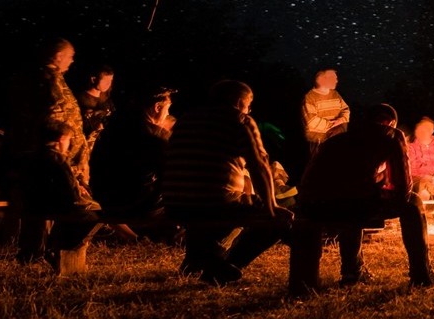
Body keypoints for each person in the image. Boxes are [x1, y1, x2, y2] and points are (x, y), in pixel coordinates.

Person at [289, 104, 434, 292]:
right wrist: (386, 192)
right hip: (347, 203)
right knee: (413, 202)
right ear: (389, 122)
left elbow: (338, 178)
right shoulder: (391, 134)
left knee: (354, 199)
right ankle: (422, 274)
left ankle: (352, 272)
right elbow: (403, 187)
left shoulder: (336, 137)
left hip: (313, 204)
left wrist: (375, 183)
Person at [162, 80, 292, 285]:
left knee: (216, 207)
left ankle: (201, 259)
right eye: (249, 103)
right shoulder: (240, 120)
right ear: (240, 101)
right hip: (215, 204)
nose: (250, 108)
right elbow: (259, 165)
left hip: (174, 203)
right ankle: (226, 266)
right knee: (277, 220)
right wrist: (271, 205)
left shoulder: (187, 119)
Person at [5, 37, 91, 263]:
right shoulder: (48, 80)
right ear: (58, 56)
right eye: (70, 56)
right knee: (47, 204)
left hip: (48, 155)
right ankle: (41, 252)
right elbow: (56, 115)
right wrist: (62, 144)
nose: (72, 61)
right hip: (52, 155)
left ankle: (34, 251)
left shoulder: (44, 78)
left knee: (40, 205)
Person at [89, 87, 178, 242]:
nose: (168, 113)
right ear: (157, 107)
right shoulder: (156, 136)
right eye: (167, 108)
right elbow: (172, 173)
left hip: (107, 202)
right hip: (137, 206)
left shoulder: (112, 129)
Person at [17, 123, 102, 275]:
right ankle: (63, 246)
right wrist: (85, 198)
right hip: (55, 206)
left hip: (33, 204)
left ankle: (56, 245)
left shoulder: (32, 156)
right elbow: (71, 195)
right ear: (61, 139)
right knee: (95, 215)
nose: (69, 145)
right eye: (69, 140)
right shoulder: (58, 160)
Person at [302, 68, 350, 158]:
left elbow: (345, 109)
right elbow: (311, 122)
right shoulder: (309, 98)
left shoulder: (335, 94)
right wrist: (333, 125)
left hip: (337, 140)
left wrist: (341, 120)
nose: (337, 80)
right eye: (334, 78)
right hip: (319, 142)